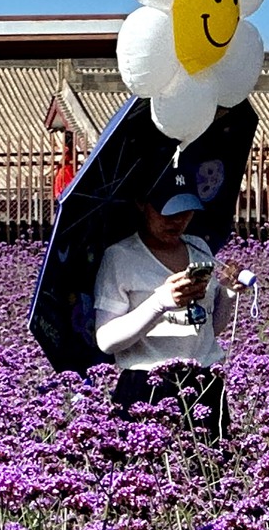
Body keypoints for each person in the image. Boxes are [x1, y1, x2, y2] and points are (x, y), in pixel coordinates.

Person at [95, 168, 235, 438]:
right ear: (142, 204)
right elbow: (107, 340)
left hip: (205, 383)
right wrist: (160, 302)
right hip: (148, 387)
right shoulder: (120, 257)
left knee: (211, 474)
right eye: (167, 211)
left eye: (186, 211)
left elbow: (209, 331)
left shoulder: (198, 248)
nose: (178, 221)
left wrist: (228, 292)